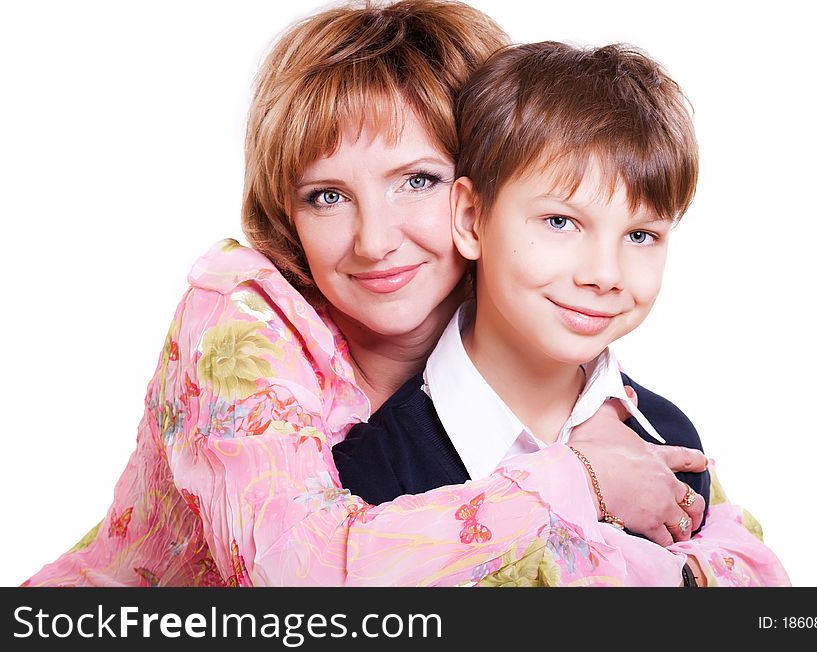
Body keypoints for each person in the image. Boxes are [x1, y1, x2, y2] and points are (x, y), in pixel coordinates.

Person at [24, 0, 745, 588]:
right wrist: (577, 478)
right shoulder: (240, 322)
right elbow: (299, 584)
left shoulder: (531, 343)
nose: (374, 240)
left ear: (480, 200)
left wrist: (596, 414)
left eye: (417, 181)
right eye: (327, 194)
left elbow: (726, 542)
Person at [333, 41, 791, 586]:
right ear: (472, 220)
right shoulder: (375, 472)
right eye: (560, 222)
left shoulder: (664, 440)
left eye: (641, 234)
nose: (604, 273)